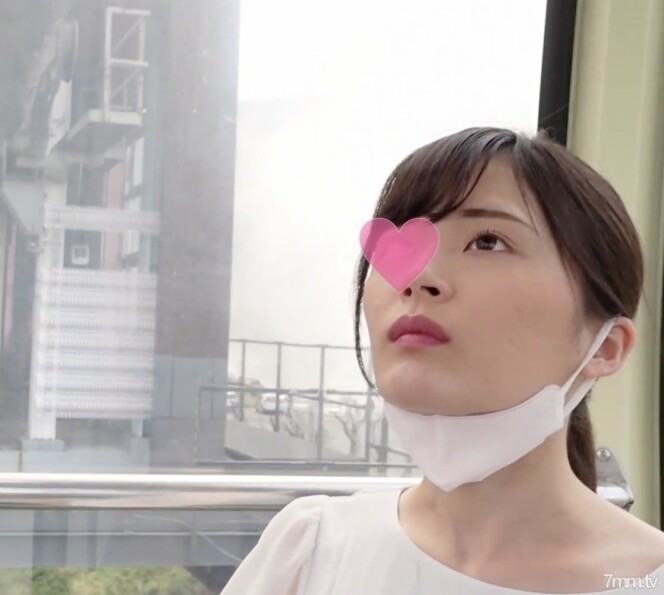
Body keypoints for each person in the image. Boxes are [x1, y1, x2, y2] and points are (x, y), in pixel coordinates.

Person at [220, 127, 664, 594]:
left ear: (606, 346)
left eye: (487, 241)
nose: (416, 278)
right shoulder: (309, 549)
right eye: (399, 246)